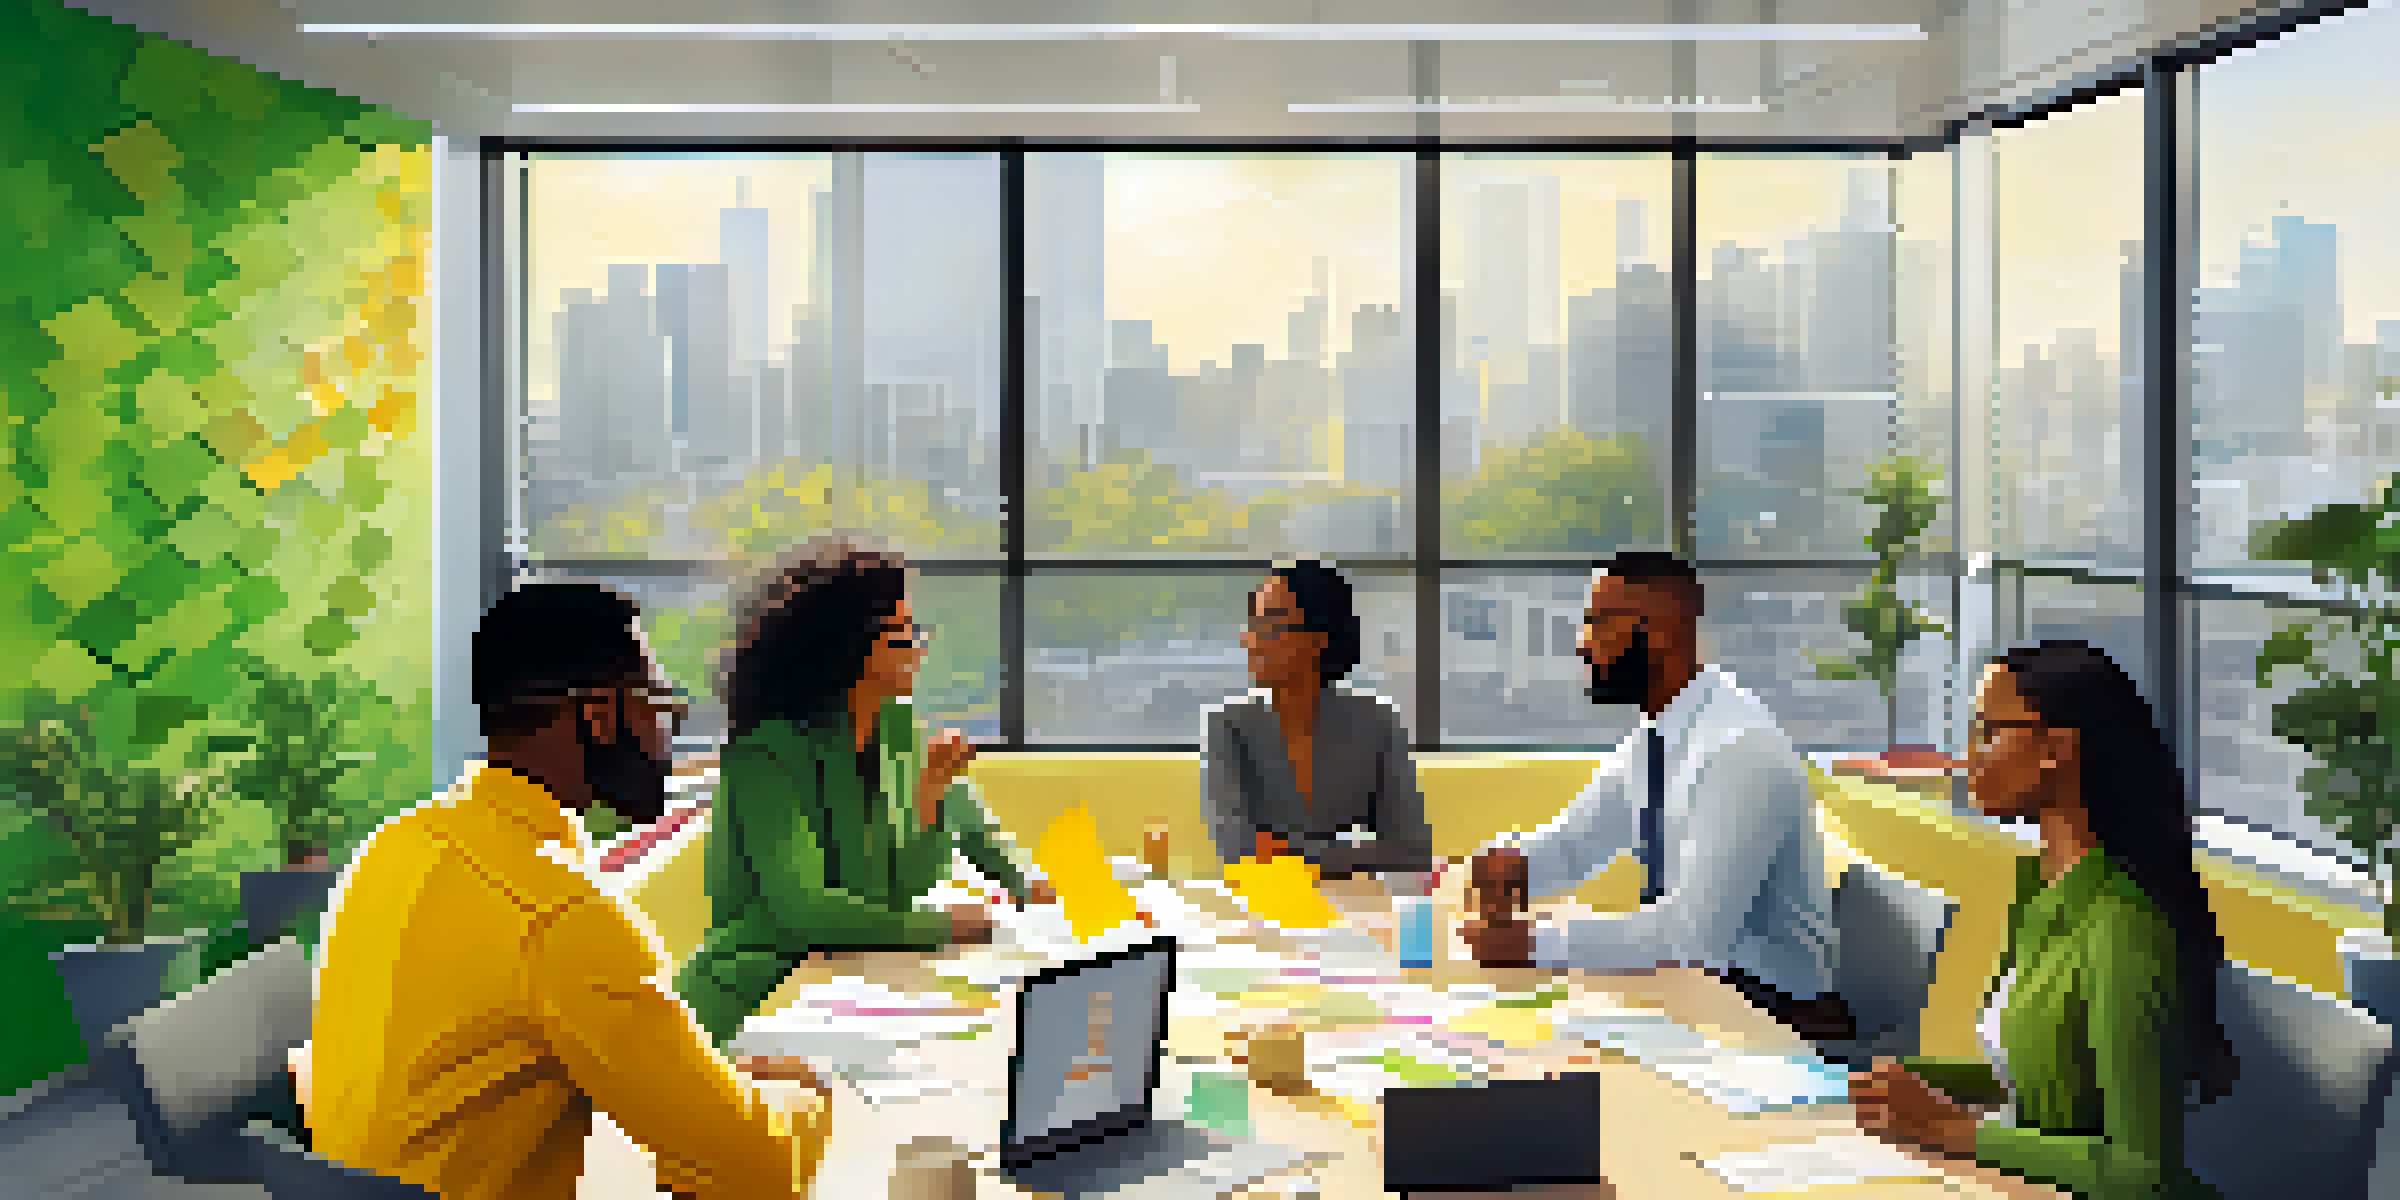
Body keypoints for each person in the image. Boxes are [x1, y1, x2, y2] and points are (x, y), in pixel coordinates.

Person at [308, 583, 832, 1200]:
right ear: (599, 714)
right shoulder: (561, 916)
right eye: (657, 705)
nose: (666, 736)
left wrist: (704, 1090)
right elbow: (754, 1174)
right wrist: (805, 1095)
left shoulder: (397, 845)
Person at [1850, 640, 2236, 1198]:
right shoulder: (2042, 890)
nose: (1970, 754)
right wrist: (1909, 1082)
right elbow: (2028, 1079)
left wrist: (1951, 1128)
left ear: (2057, 747)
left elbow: (2142, 1173)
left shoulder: (2121, 928)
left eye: (1991, 731)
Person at [674, 537, 1055, 1050]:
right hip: (756, 996)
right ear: (849, 646)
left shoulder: (894, 729)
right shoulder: (765, 756)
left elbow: (933, 856)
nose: (920, 648)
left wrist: (1023, 880)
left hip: (848, 991)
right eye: (903, 633)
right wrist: (941, 926)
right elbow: (805, 910)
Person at [1463, 552, 1852, 1041]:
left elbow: (1693, 936)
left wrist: (1535, 943)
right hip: (1698, 984)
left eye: (1599, 623)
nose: (1585, 646)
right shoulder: (1657, 735)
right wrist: (1515, 865)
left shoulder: (1740, 749)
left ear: (1661, 630)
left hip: (1773, 1013)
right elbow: (1578, 844)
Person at [1202, 558, 1435, 878]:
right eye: (1250, 624)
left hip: (1360, 910)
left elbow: (1413, 851)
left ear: (1319, 639)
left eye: (1269, 625)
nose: (1250, 640)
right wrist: (1353, 852)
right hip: (1265, 909)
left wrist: (1286, 851)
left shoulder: (1376, 721)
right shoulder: (1229, 725)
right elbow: (1239, 851)